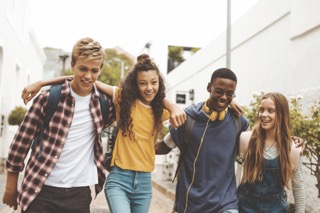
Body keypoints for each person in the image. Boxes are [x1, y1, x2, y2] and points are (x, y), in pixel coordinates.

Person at [18, 54, 187, 213]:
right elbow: (84, 80)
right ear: (135, 84)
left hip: (144, 184)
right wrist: (41, 83)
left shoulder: (161, 111)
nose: (149, 88)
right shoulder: (123, 100)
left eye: (154, 82)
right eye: (143, 83)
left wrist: (173, 106)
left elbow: (178, 109)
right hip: (120, 179)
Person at [155, 68, 305, 213]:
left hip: (228, 203)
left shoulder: (239, 123)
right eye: (219, 91)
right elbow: (165, 146)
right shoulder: (188, 120)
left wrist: (289, 141)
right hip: (195, 202)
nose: (223, 97)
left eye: (230, 94)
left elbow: (262, 140)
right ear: (209, 87)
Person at [2, 37, 115, 212]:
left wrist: (172, 107)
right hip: (41, 189)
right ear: (73, 64)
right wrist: (10, 187)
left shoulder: (103, 104)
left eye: (94, 70)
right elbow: (20, 143)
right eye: (82, 69)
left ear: (100, 70)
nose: (88, 76)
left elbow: (131, 98)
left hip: (79, 193)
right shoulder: (48, 98)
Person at [237, 92, 305, 212]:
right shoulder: (246, 140)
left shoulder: (293, 148)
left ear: (282, 115)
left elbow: (298, 186)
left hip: (277, 208)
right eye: (261, 110)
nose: (263, 114)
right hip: (245, 207)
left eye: (270, 111)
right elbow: (234, 176)